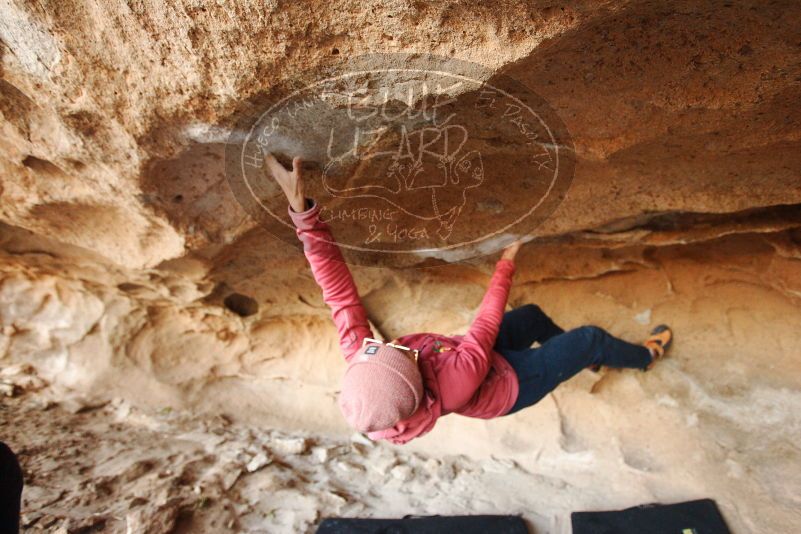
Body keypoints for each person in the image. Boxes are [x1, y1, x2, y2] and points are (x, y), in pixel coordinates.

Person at [265, 154, 673, 445]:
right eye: (398, 354)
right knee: (589, 338)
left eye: (382, 349)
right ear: (417, 383)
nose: (392, 346)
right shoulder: (455, 383)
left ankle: (593, 360)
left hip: (478, 359)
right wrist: (506, 264)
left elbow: (338, 292)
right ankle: (645, 358)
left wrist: (301, 212)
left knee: (531, 317)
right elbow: (485, 326)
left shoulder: (367, 358)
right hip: (512, 385)